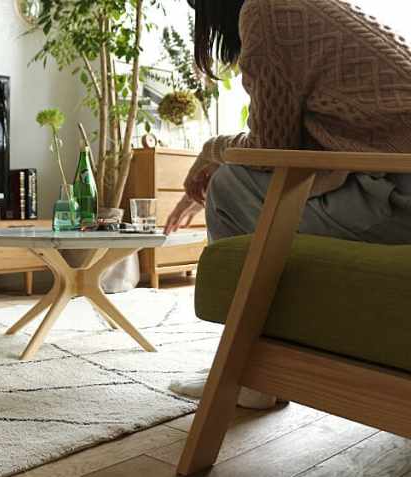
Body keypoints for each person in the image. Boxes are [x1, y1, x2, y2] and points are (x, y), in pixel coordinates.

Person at [165, 0, 411, 409]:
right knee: (236, 178)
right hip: (393, 181)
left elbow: (270, 149)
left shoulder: (265, 10)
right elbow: (309, 145)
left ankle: (248, 375)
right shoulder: (316, 7)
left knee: (227, 186)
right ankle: (262, 366)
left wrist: (212, 151)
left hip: (399, 194)